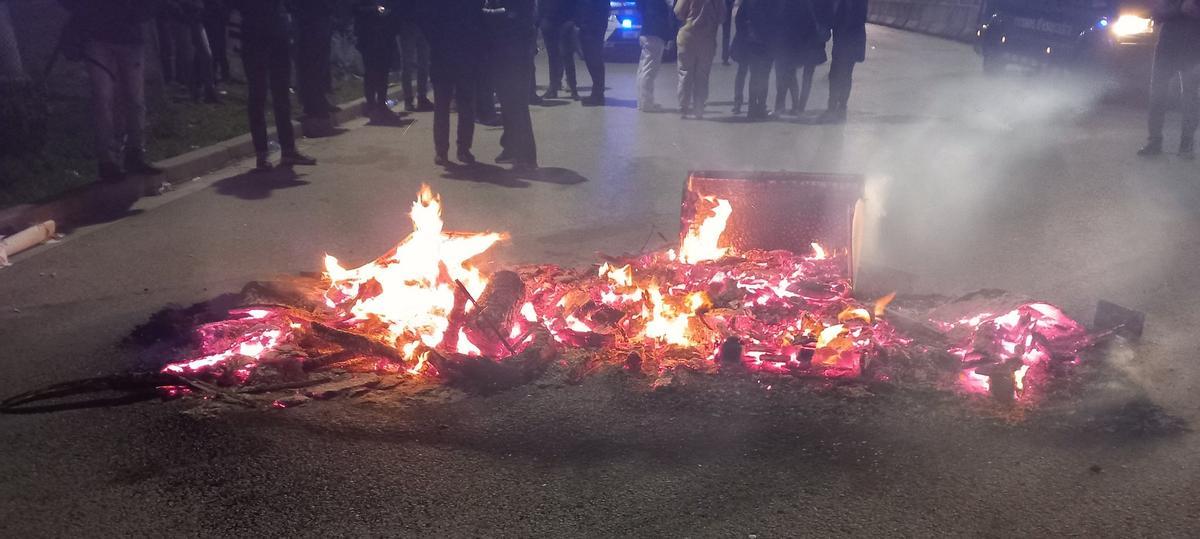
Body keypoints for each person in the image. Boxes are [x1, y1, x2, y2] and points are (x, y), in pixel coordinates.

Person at [59, 0, 164, 182]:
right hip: (97, 37)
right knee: (103, 98)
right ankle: (107, 161)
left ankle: (134, 154)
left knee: (134, 100)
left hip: (129, 36)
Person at [230, 0, 317, 171]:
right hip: (254, 36)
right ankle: (262, 154)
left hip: (277, 35)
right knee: (258, 95)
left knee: (281, 95)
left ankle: (288, 151)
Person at [418, 0, 483, 166]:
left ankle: (462, 149)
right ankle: (443, 150)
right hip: (444, 55)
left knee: (464, 104)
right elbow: (426, 20)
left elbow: (479, 18)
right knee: (443, 106)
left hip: (464, 54)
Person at [1138, 0, 1200, 159]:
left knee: (1191, 98)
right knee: (1157, 96)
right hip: (1167, 49)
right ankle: (1155, 142)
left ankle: (1186, 144)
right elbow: (1156, 14)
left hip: (1194, 50)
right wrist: (1180, 8)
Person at [484, 0, 539, 170]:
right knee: (507, 103)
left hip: (516, 51)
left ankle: (527, 156)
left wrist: (487, 13)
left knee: (517, 105)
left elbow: (516, 13)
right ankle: (511, 147)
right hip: (502, 50)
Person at [773, 0, 828, 116]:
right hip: (809, 42)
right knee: (805, 76)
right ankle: (799, 106)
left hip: (799, 41)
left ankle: (793, 104)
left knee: (790, 73)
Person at [354, 0, 404, 124]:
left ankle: (381, 105)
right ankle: (371, 106)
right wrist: (376, 10)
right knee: (371, 71)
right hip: (369, 36)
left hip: (385, 35)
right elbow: (356, 9)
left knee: (383, 72)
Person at [675, 0, 725, 119]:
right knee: (702, 75)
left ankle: (684, 108)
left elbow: (678, 12)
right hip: (707, 39)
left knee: (685, 73)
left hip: (687, 38)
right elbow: (722, 17)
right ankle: (699, 108)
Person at [290, 0, 339, 121]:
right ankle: (312, 104)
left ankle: (320, 99)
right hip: (308, 22)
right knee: (310, 65)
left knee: (321, 64)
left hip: (320, 18)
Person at [820, 0, 867, 124]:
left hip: (848, 43)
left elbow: (855, 19)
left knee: (838, 75)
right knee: (842, 75)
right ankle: (839, 107)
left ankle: (835, 107)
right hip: (846, 42)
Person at [736, 0, 773, 120]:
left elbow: (739, 20)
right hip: (766, 42)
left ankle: (752, 108)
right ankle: (760, 107)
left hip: (752, 43)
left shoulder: (748, 3)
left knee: (754, 75)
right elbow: (777, 20)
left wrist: (745, 34)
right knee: (764, 76)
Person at [635, 0, 672, 112]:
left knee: (643, 69)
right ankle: (647, 104)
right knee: (649, 71)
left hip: (646, 30)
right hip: (656, 32)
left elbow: (639, 6)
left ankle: (642, 102)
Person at [397, 1, 434, 112]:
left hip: (423, 25)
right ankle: (409, 99)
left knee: (423, 62)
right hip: (407, 24)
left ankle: (421, 97)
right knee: (407, 63)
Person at [539, 0, 579, 99]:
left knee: (564, 56)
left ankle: (566, 87)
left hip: (562, 20)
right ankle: (561, 87)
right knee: (557, 56)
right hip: (554, 20)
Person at [576, 0, 611, 106]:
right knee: (591, 59)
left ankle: (598, 94)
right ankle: (597, 93)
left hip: (593, 26)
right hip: (590, 25)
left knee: (594, 59)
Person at [203, 0, 231, 83]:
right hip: (215, 17)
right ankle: (222, 73)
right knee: (218, 47)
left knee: (217, 47)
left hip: (215, 17)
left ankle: (218, 73)